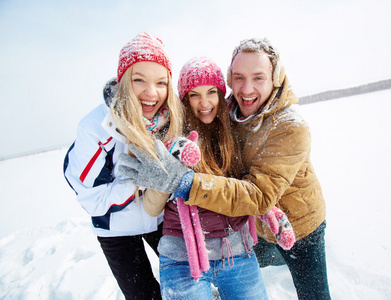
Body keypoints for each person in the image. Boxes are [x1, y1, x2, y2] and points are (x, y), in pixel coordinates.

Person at [120, 38, 331, 299]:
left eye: (258, 78)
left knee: (314, 294)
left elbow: (259, 195)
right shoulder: (230, 114)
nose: (247, 88)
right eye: (239, 78)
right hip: (226, 233)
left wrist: (183, 182)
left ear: (275, 78)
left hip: (299, 223)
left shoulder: (289, 127)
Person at [123, 56, 269, 299]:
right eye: (194, 95)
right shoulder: (169, 136)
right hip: (183, 258)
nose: (204, 103)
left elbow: (254, 189)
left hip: (236, 252)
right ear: (183, 99)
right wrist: (167, 178)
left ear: (221, 95)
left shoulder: (236, 133)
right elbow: (150, 209)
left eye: (211, 92)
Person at [63, 32, 184, 300]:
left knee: (184, 286)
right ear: (123, 81)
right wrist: (140, 180)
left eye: (161, 82)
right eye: (139, 79)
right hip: (115, 230)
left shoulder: (170, 120)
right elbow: (92, 200)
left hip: (162, 218)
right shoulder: (95, 128)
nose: (151, 94)